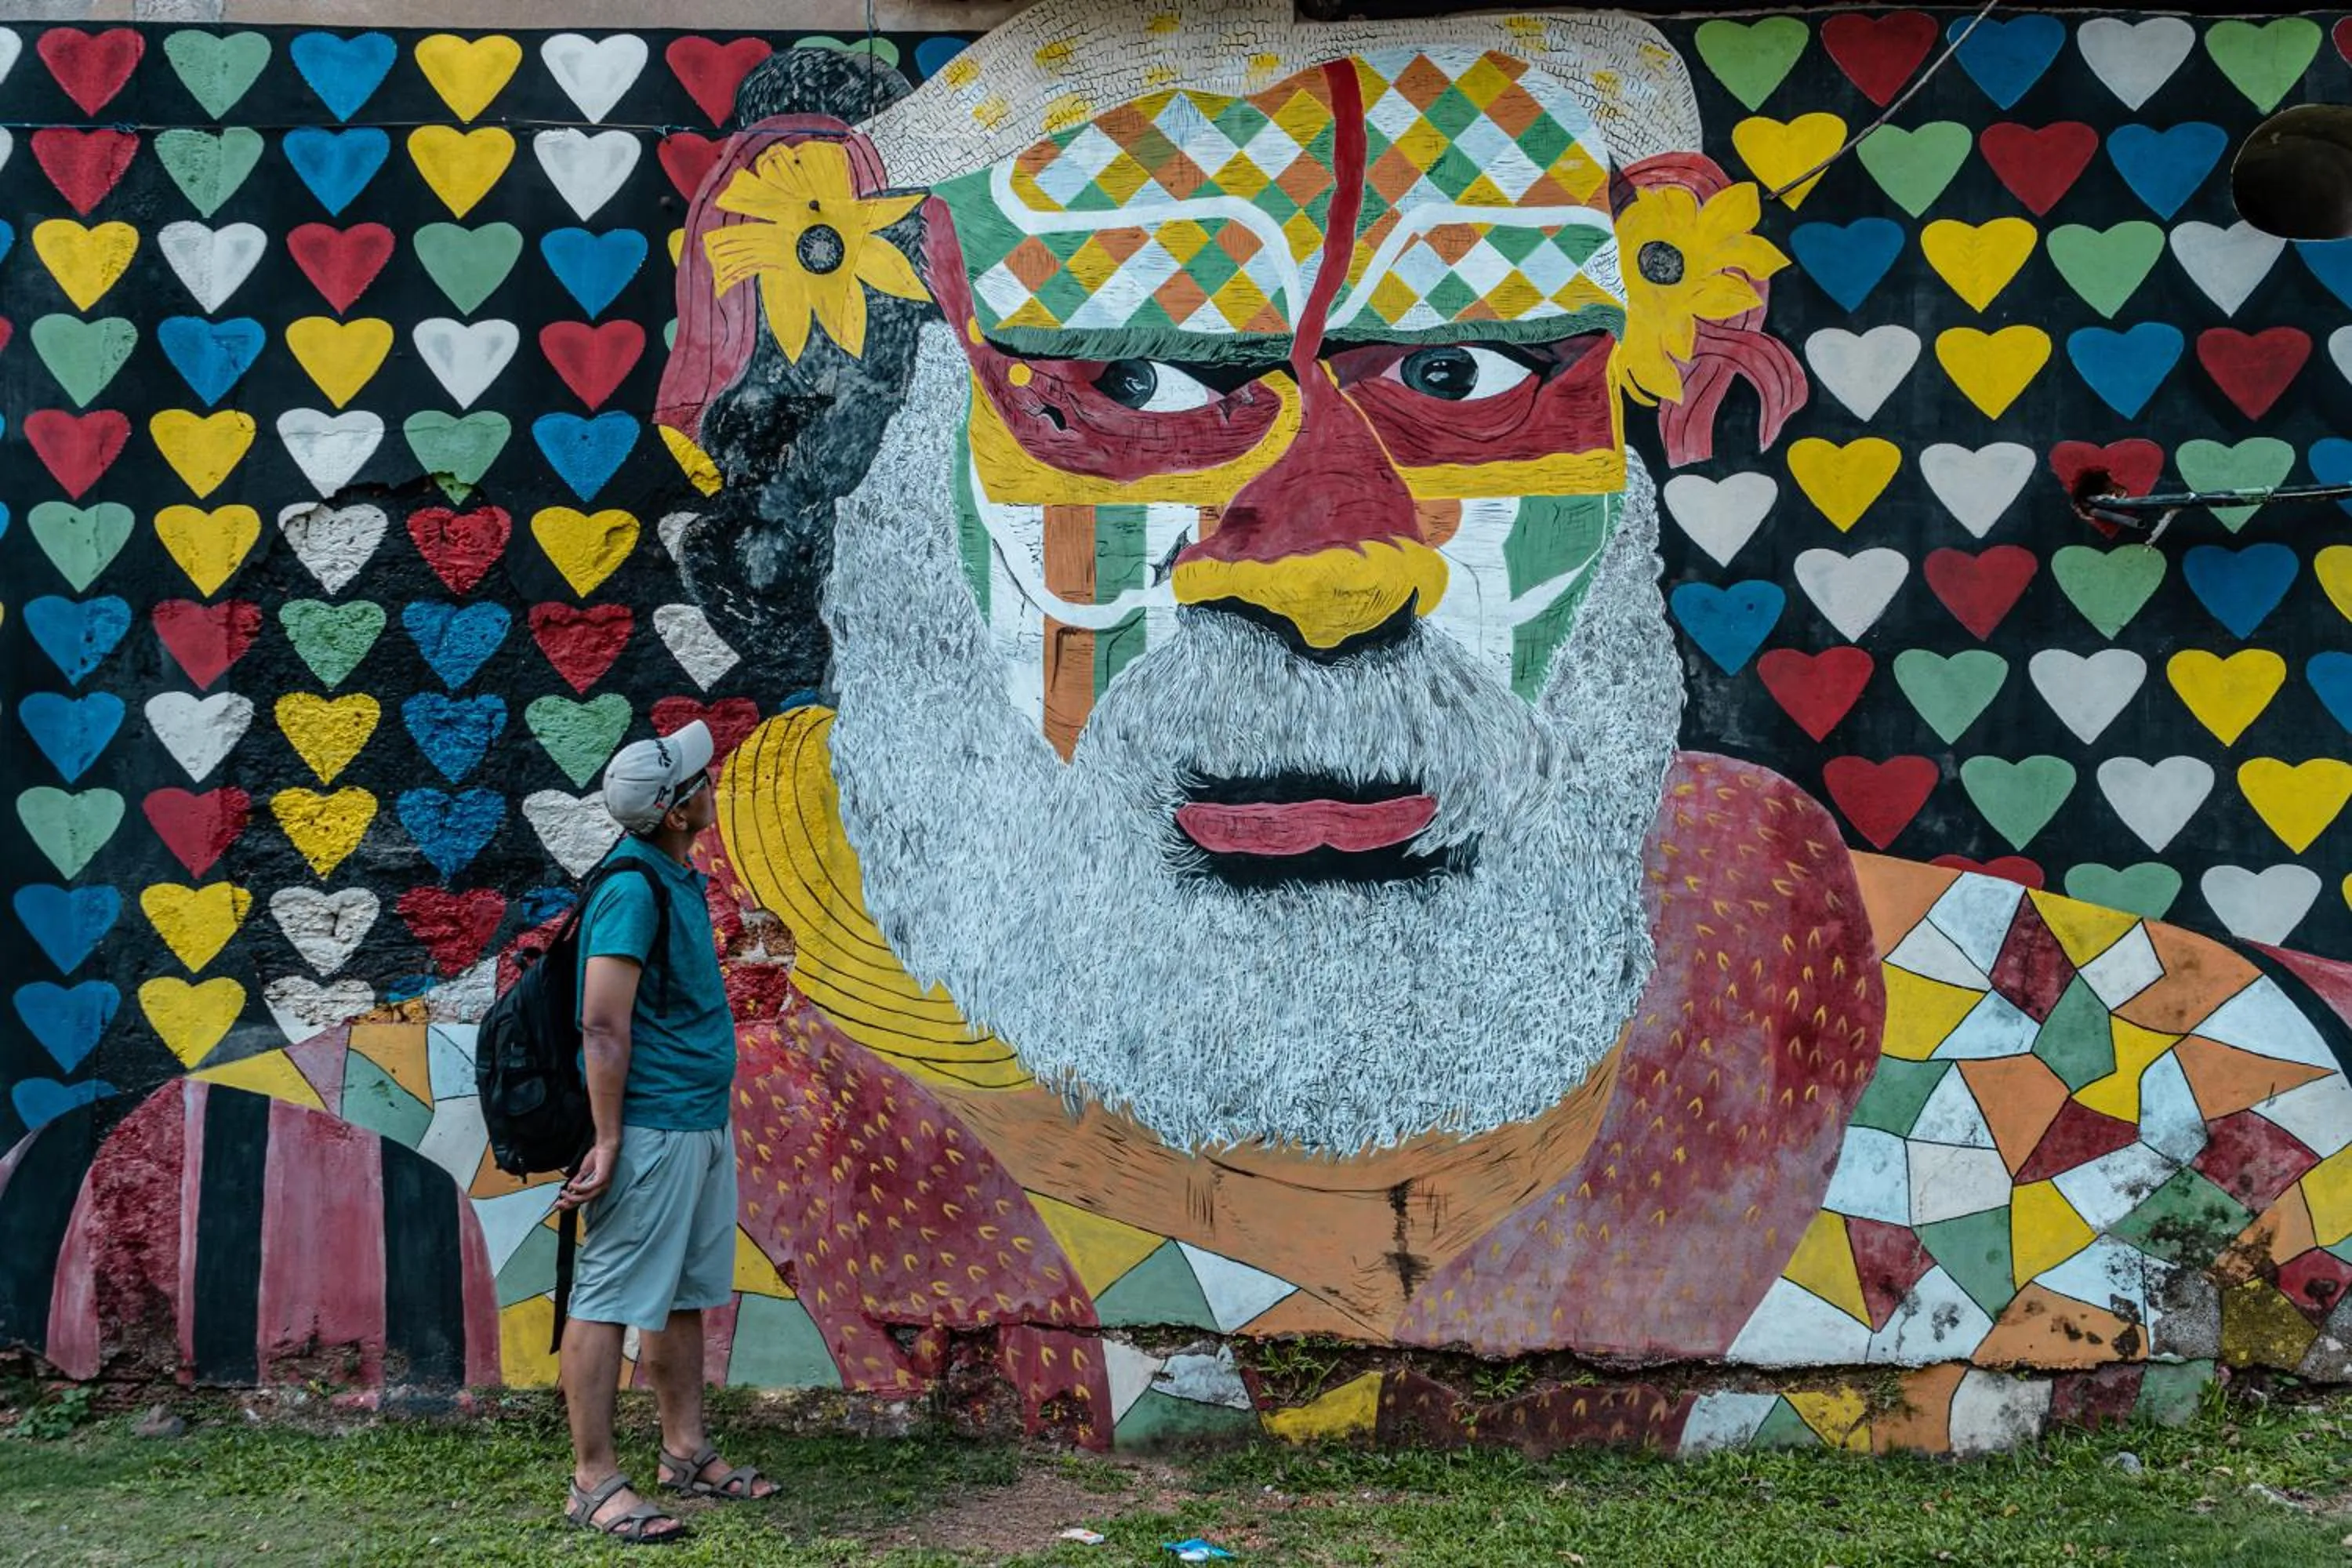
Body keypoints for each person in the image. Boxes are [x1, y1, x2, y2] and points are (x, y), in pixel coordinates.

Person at [557, 719, 779, 1543]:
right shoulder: (631, 887)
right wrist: (609, 1139)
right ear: (678, 810)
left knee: (683, 1292)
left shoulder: (672, 874)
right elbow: (603, 1024)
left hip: (694, 1118)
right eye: (700, 780)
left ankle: (685, 1450)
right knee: (609, 1295)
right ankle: (592, 1479)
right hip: (648, 1126)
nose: (711, 782)